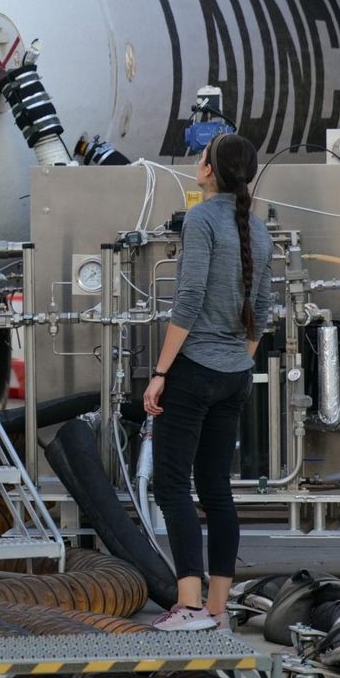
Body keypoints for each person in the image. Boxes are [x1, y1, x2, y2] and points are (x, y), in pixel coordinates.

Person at [143, 133, 274, 631]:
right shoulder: (258, 231)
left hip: (195, 368)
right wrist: (237, 361)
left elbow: (190, 297)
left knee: (172, 485)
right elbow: (261, 310)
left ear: (210, 171)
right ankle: (218, 608)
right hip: (235, 374)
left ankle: (190, 605)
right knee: (216, 489)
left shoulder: (201, 218)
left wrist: (160, 373)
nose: (196, 162)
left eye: (201, 157)